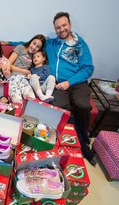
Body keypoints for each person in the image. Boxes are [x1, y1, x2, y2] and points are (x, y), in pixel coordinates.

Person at [45, 12, 96, 166]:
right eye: (58, 27)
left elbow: (88, 68)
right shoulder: (51, 44)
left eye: (64, 25)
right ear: (55, 29)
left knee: (82, 105)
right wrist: (9, 42)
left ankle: (83, 137)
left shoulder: (80, 45)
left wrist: (69, 82)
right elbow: (31, 43)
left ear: (70, 25)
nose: (61, 29)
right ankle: (82, 145)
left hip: (77, 83)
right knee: (61, 108)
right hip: (58, 84)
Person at [7, 34, 46, 103]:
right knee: (17, 99)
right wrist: (25, 71)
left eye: (37, 47)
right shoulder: (20, 48)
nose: (34, 47)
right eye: (34, 43)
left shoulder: (33, 56)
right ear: (31, 41)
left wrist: (29, 74)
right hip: (13, 77)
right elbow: (8, 64)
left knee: (31, 98)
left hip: (24, 79)